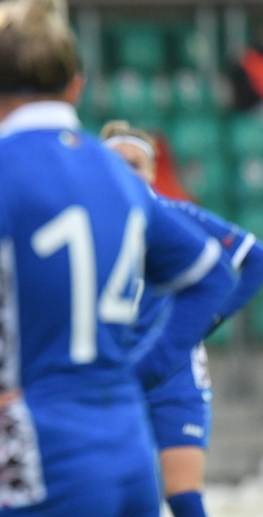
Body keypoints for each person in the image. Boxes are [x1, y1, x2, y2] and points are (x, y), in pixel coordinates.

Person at [0, 1, 235, 516]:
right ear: (76, 85)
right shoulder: (117, 175)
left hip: (39, 448)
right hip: (129, 450)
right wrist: (141, 371)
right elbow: (213, 274)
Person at [102, 120, 263, 517]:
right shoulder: (89, 225)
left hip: (176, 373)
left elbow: (255, 259)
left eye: (136, 164)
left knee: (184, 498)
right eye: (116, 163)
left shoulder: (177, 218)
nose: (127, 173)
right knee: (119, 499)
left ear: (154, 171)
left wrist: (212, 317)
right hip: (115, 373)